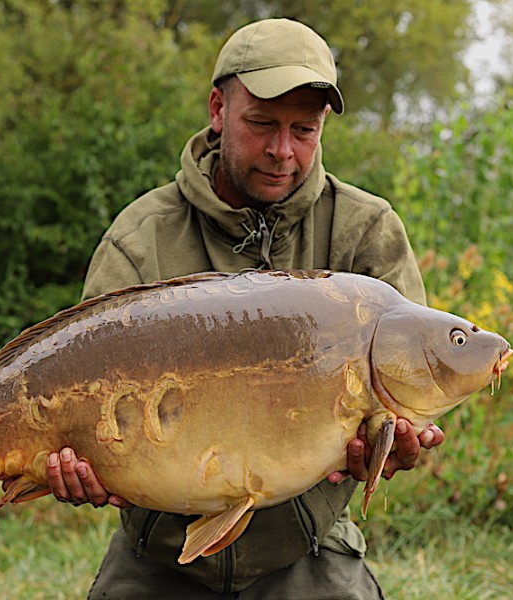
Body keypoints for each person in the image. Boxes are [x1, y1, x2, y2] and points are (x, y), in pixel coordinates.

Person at [45, 18, 444, 598]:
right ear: (217, 109)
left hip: (306, 545)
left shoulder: (366, 232)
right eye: (261, 124)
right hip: (158, 551)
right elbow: (77, 386)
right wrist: (79, 466)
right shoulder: (141, 237)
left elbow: (407, 404)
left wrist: (398, 445)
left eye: (304, 130)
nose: (283, 151)